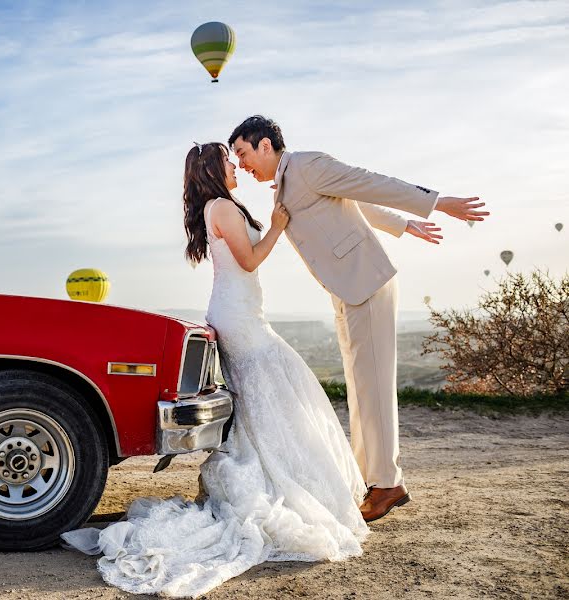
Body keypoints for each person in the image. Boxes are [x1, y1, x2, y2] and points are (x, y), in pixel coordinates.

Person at [61, 142, 370, 598]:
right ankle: (282, 477)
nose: (235, 166)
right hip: (240, 318)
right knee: (278, 384)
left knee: (264, 396)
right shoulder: (221, 206)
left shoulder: (216, 206)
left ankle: (274, 469)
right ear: (213, 168)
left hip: (239, 310)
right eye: (229, 160)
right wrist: (279, 227)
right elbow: (249, 261)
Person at [227, 115, 487, 521]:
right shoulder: (287, 181)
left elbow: (366, 182)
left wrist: (436, 201)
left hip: (366, 282)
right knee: (361, 387)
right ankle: (374, 479)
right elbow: (355, 202)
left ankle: (388, 485)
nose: (242, 164)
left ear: (265, 145)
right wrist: (403, 225)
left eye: (243, 153)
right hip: (348, 290)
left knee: (376, 387)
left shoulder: (308, 165)